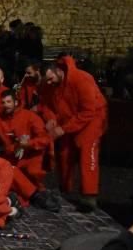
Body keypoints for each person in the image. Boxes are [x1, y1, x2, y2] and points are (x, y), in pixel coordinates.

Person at [39, 56, 108, 212]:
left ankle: (89, 195)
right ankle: (65, 189)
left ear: (58, 70)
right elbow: (45, 105)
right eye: (47, 81)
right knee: (64, 153)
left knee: (87, 152)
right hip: (68, 118)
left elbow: (88, 111)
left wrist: (63, 129)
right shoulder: (48, 83)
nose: (49, 83)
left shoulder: (82, 79)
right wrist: (50, 119)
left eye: (50, 79)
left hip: (92, 119)